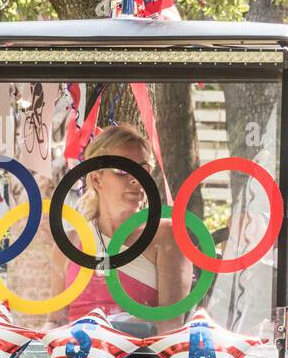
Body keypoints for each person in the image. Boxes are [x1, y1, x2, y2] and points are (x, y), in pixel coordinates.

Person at [46, 124, 190, 326]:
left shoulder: (167, 235)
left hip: (141, 356)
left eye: (143, 169)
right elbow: (55, 320)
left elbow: (170, 324)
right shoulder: (69, 243)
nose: (135, 179)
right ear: (97, 179)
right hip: (75, 354)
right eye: (122, 170)